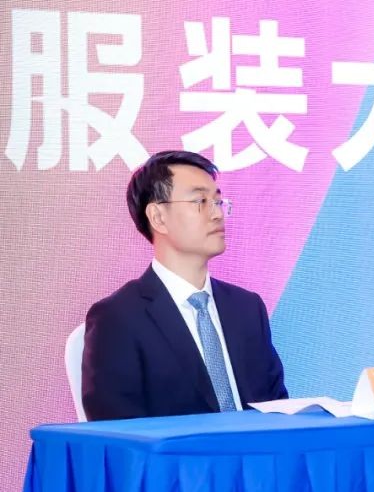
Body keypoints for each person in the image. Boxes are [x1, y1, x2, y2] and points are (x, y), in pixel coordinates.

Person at [82, 150, 287, 420]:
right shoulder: (117, 318)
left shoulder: (247, 308)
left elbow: (277, 409)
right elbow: (117, 432)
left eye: (218, 201)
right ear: (158, 217)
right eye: (200, 201)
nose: (217, 214)